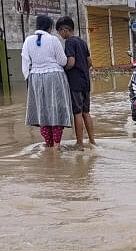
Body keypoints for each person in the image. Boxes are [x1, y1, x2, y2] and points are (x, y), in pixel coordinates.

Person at [22, 15, 72, 152]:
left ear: (37, 26)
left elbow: (25, 65)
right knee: (56, 110)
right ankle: (57, 145)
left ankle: (48, 144)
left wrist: (30, 81)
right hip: (55, 77)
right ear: (50, 27)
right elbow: (62, 61)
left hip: (35, 78)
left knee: (42, 112)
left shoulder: (28, 41)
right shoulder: (53, 40)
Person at [55, 16, 95, 150]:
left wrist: (63, 69)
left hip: (75, 84)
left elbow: (70, 62)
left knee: (77, 113)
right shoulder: (82, 42)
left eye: (60, 32)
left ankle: (79, 143)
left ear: (65, 30)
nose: (60, 35)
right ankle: (92, 141)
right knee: (86, 112)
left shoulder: (69, 42)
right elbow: (90, 62)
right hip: (86, 82)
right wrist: (82, 69)